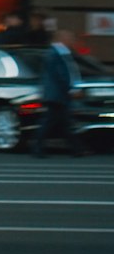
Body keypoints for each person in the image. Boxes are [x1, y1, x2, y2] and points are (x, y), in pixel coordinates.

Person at [33, 28, 86, 157]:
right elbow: (61, 74)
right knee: (52, 123)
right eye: (70, 38)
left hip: (58, 94)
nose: (72, 41)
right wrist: (71, 89)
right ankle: (37, 148)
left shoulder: (61, 53)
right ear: (62, 39)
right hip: (57, 95)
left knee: (62, 123)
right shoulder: (54, 54)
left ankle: (77, 149)